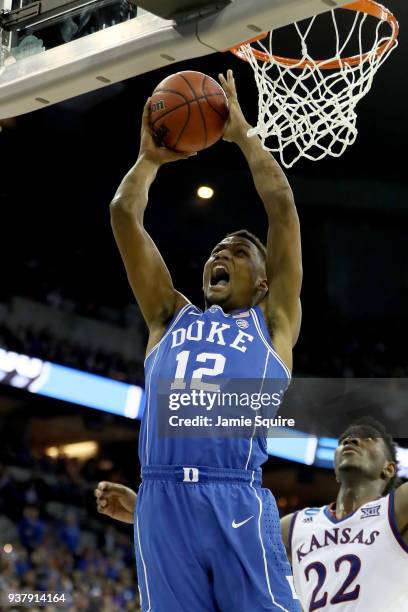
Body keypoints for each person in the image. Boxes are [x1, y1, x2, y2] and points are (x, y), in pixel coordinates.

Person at [103, 69, 302, 611]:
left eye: (239, 251)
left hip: (234, 495)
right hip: (161, 498)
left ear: (264, 282)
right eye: (217, 250)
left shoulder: (273, 323)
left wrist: (241, 135)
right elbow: (124, 215)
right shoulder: (170, 317)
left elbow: (281, 205)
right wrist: (148, 160)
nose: (222, 254)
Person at [280, 418, 408, 611]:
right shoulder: (294, 524)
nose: (351, 441)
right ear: (336, 469)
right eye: (344, 441)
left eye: (368, 439)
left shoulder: (397, 507)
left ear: (388, 468)